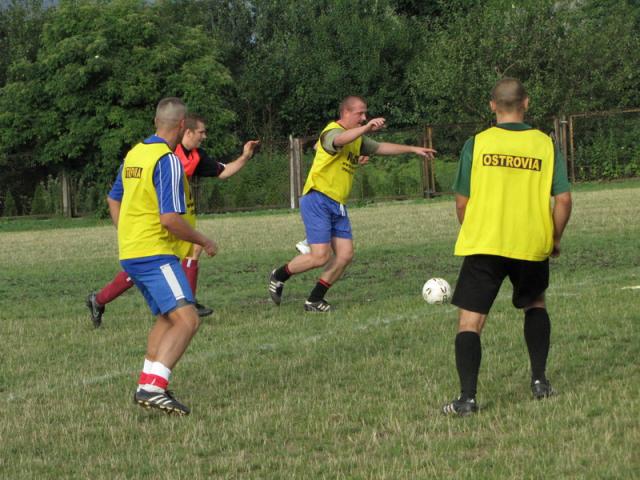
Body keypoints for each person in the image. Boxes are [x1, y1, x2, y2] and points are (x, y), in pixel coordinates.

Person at [442, 78, 572, 416]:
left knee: (470, 322)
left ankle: (467, 399)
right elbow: (563, 200)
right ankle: (540, 382)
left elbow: (461, 202)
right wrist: (554, 238)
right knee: (535, 304)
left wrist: (476, 229)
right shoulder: (545, 144)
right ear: (526, 103)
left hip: (485, 243)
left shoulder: (477, 143)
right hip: (530, 242)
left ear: (492, 106)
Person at [86, 114, 259, 326]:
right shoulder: (163, 155)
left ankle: (188, 304)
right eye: (201, 132)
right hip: (160, 225)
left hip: (177, 221)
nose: (204, 136)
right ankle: (99, 299)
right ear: (187, 131)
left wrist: (245, 157)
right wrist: (125, 228)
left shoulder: (195, 156)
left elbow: (222, 172)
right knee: (141, 270)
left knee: (190, 251)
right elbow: (116, 196)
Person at [268, 95, 436, 312]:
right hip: (318, 198)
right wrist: (366, 128)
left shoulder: (357, 138)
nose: (364, 117)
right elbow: (339, 140)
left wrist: (413, 149)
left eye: (365, 114)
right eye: (360, 113)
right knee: (320, 256)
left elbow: (380, 147)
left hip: (338, 204)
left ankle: (314, 300)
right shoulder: (331, 131)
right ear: (346, 113)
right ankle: (279, 275)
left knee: (345, 255)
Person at [109, 97, 216, 415]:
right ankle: (154, 388)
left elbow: (113, 198)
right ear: (182, 125)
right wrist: (203, 240)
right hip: (154, 252)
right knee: (188, 319)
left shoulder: (134, 154)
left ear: (157, 122)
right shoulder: (167, 160)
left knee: (167, 318)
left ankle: (148, 381)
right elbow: (169, 219)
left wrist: (128, 232)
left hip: (132, 251)